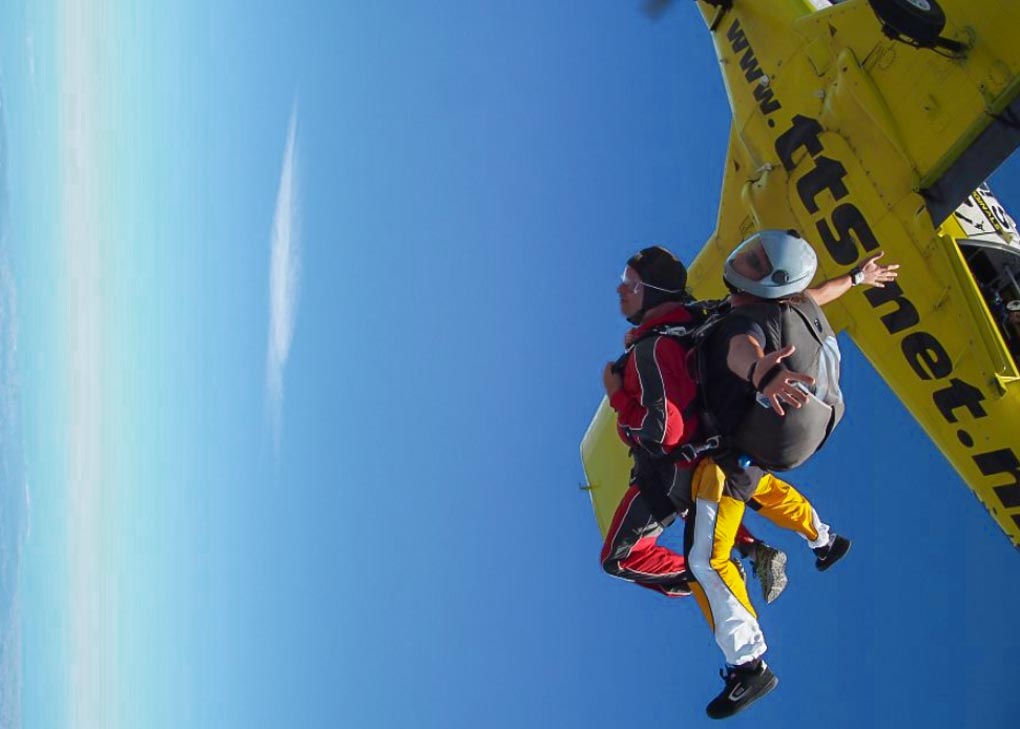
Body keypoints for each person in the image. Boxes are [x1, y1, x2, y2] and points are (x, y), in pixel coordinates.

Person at [685, 230, 899, 719]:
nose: (745, 262)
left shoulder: (749, 317)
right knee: (761, 487)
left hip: (733, 455)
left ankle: (748, 664)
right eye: (752, 254)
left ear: (773, 283)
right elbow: (819, 294)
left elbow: (743, 347)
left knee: (705, 560)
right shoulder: (795, 303)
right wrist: (859, 278)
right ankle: (824, 540)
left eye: (758, 263)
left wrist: (761, 372)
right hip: (766, 447)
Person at [600, 246, 789, 603]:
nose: (620, 289)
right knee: (695, 508)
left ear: (654, 293)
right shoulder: (688, 322)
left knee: (618, 558)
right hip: (703, 453)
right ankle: (753, 550)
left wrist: (617, 396)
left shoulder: (651, 350)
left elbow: (662, 431)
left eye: (632, 284)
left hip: (675, 466)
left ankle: (707, 575)